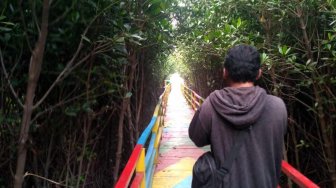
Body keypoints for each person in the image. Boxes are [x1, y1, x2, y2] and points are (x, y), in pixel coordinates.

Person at [189, 44, 287, 188]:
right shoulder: (277, 107)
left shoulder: (212, 104)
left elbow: (196, 138)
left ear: (225, 72)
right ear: (259, 73)